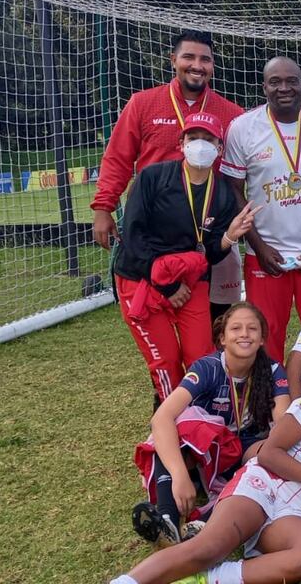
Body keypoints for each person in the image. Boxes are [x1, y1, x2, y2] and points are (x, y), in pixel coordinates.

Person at [112, 348, 301, 584]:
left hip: (300, 512)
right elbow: (269, 454)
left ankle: (211, 578)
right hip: (264, 484)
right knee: (208, 548)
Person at [93, 30, 247, 324]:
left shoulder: (232, 114)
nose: (197, 65)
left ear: (213, 65)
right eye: (189, 57)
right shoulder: (143, 103)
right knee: (156, 311)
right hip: (156, 233)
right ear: (173, 59)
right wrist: (103, 207)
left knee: (216, 318)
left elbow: (263, 130)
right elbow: (118, 158)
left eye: (205, 59)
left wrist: (295, 113)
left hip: (210, 231)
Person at [114, 112, 255, 400]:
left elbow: (209, 254)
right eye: (193, 138)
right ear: (181, 144)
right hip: (143, 280)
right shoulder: (152, 177)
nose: (200, 145)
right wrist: (167, 286)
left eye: (208, 140)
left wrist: (228, 237)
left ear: (219, 148)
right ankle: (170, 419)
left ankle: (201, 418)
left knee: (200, 358)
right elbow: (133, 235)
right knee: (166, 362)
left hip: (191, 283)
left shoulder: (223, 193)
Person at [130, 302, 291, 548]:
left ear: (261, 339)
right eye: (236, 328)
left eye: (252, 329)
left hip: (243, 446)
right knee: (176, 433)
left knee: (271, 458)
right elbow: (161, 418)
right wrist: (180, 475)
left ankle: (201, 524)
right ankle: (167, 522)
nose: (244, 334)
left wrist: (276, 452)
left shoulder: (273, 369)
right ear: (222, 338)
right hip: (203, 448)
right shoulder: (207, 368)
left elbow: (283, 422)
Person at [222, 57, 301, 363]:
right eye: (275, 82)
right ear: (264, 87)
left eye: (291, 81)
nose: (284, 88)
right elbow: (233, 190)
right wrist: (258, 246)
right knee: (265, 336)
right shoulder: (242, 128)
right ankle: (269, 392)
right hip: (265, 254)